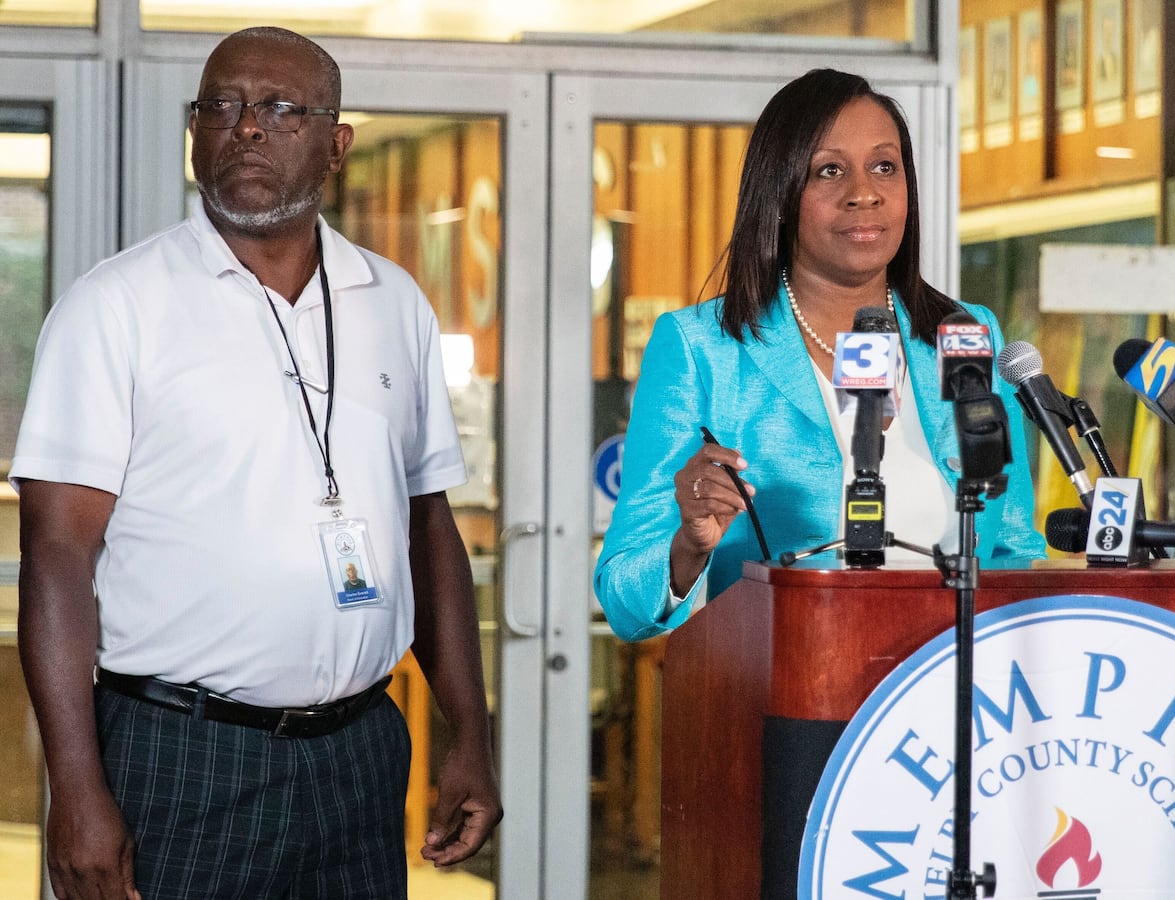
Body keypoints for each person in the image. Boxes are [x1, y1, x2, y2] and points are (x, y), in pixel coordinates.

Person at [13, 26, 501, 898]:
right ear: (193, 131)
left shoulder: (394, 302)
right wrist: (76, 789)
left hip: (360, 752)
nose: (246, 127)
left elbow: (428, 526)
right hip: (182, 756)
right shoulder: (117, 306)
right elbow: (55, 553)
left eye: (279, 108)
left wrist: (470, 730)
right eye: (222, 106)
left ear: (336, 144)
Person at [595, 68, 1045, 641]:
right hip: (790, 682)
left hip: (949, 680)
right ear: (781, 194)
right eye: (830, 170)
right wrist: (689, 546)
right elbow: (624, 601)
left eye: (885, 166)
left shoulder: (965, 334)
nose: (864, 191)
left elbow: (1014, 549)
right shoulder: (701, 347)